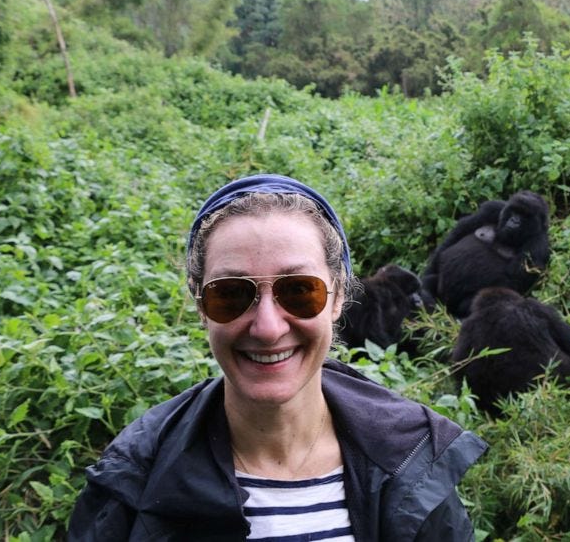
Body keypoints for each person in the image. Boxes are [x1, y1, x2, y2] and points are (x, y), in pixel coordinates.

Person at [67, 174, 488, 541]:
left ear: (338, 296)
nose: (267, 328)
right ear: (200, 305)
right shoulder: (134, 476)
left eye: (299, 290)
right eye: (230, 293)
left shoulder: (410, 461)